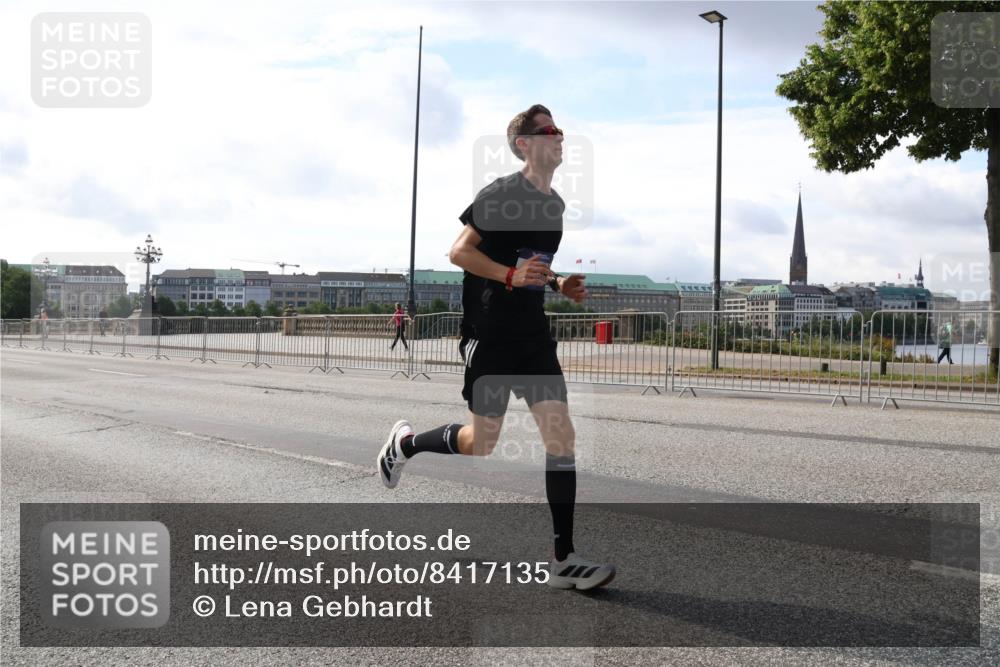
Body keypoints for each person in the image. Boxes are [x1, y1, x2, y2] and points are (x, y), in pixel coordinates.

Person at [377, 104, 615, 591]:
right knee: (480, 442)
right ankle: (403, 446)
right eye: (550, 130)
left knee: (560, 436)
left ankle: (564, 557)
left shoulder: (554, 206)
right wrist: (507, 275)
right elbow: (460, 251)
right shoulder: (503, 194)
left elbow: (531, 262)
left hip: (532, 336)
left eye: (561, 129)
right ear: (525, 144)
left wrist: (558, 284)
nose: (560, 135)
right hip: (490, 334)